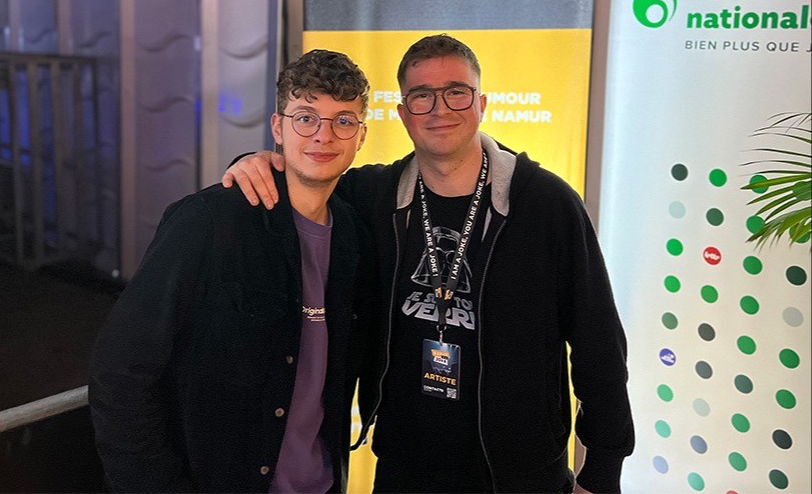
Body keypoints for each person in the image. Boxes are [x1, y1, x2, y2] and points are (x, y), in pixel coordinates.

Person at [222, 34, 635, 493]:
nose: (440, 109)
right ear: (403, 113)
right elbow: (305, 179)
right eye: (421, 96)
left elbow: (598, 341)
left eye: (456, 92)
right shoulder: (372, 197)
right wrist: (255, 163)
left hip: (520, 473)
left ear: (481, 104)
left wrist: (603, 471)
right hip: (404, 466)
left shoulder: (545, 204)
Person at [88, 49, 377, 492]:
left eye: (343, 120)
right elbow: (120, 369)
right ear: (278, 127)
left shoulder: (355, 236)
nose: (324, 135)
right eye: (305, 118)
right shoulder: (208, 222)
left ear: (361, 136)